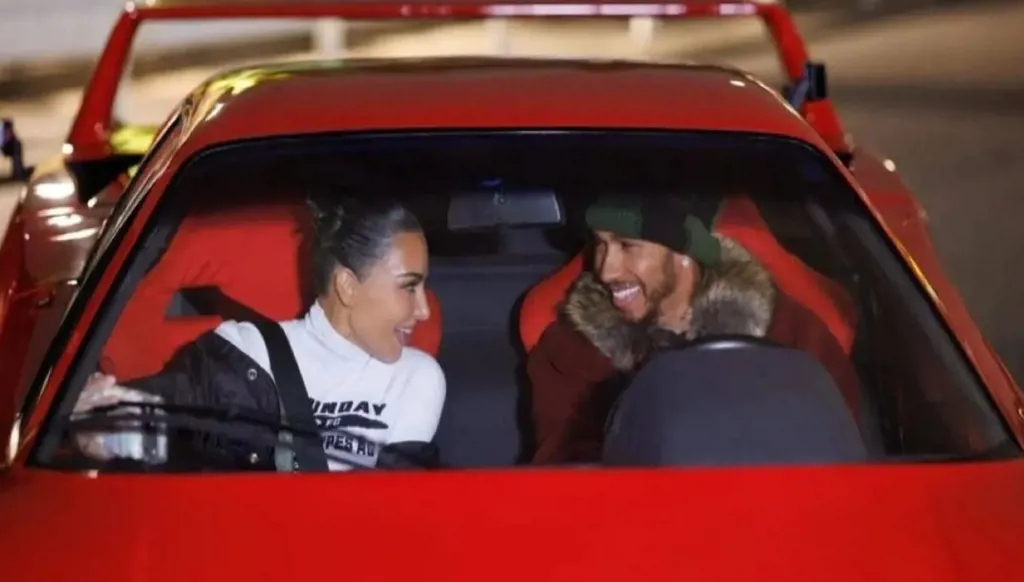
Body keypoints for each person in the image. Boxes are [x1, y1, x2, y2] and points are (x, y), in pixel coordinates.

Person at [72, 193, 446, 471]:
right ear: (347, 286)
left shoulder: (416, 377)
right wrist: (103, 424)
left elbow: (395, 507)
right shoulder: (244, 353)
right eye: (409, 287)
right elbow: (163, 411)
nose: (424, 310)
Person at [526, 193, 860, 464]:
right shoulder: (576, 348)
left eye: (627, 246)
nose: (606, 270)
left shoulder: (789, 335)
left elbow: (843, 458)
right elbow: (564, 471)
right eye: (600, 245)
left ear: (684, 253)